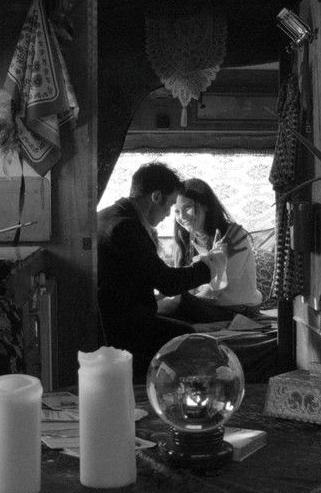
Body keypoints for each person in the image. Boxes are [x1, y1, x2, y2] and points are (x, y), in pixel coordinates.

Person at [97, 162, 227, 378]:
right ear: (156, 197)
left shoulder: (104, 216)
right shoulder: (126, 228)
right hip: (123, 328)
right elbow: (168, 282)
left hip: (111, 318)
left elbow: (146, 276)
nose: (168, 215)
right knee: (186, 337)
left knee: (183, 321)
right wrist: (210, 266)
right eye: (170, 206)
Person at [160, 178, 264, 325]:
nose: (181, 216)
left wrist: (181, 302)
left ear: (206, 206)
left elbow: (215, 290)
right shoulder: (185, 241)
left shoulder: (234, 235)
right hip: (207, 306)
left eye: (187, 207)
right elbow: (179, 284)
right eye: (177, 211)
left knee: (172, 306)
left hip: (240, 309)